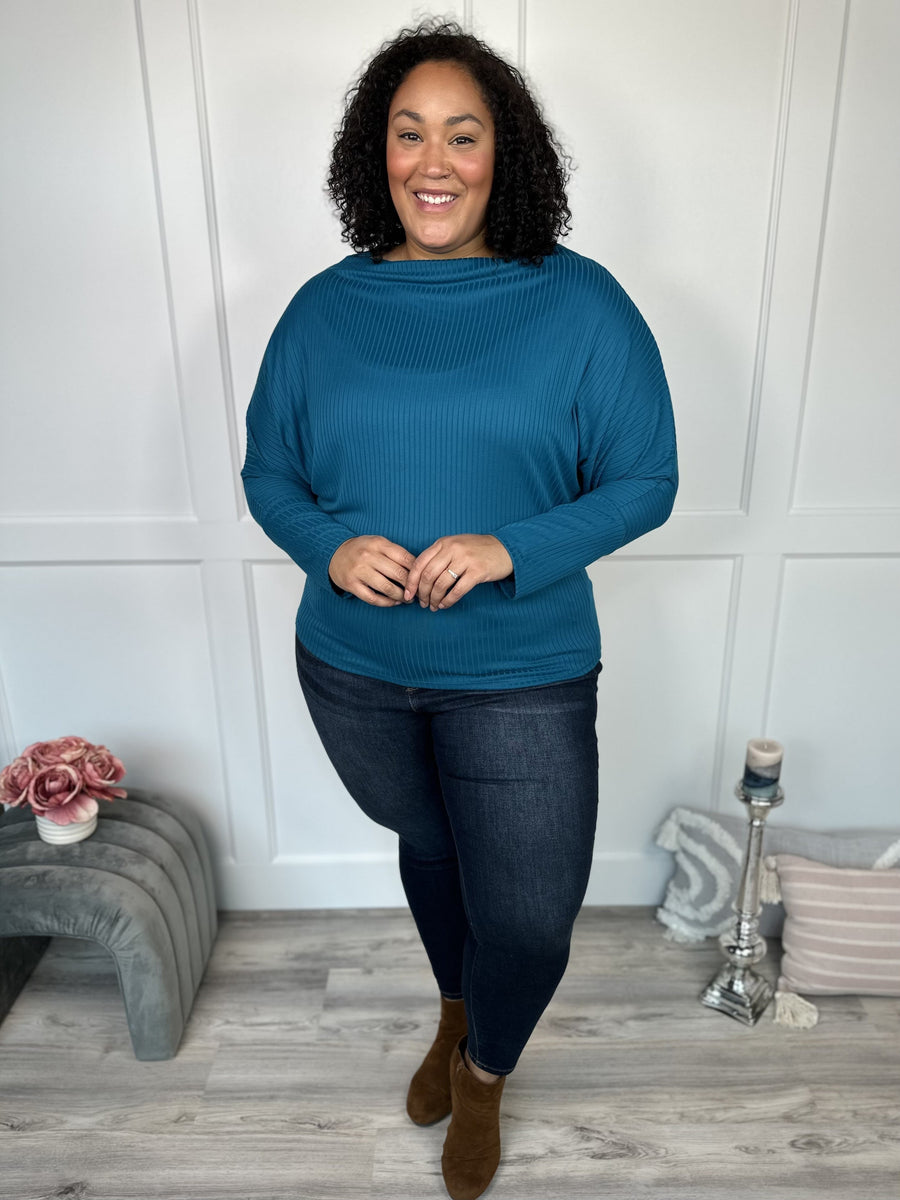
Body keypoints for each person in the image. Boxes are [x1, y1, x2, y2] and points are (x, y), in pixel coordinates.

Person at [241, 20, 677, 1200]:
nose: (434, 162)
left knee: (527, 921)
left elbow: (646, 479)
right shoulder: (323, 309)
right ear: (374, 154)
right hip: (354, 669)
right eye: (409, 133)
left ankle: (483, 1071)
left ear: (504, 153)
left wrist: (509, 548)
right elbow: (269, 475)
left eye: (463, 135)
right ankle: (453, 1011)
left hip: (521, 669)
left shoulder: (580, 303)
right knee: (431, 843)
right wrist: (330, 550)